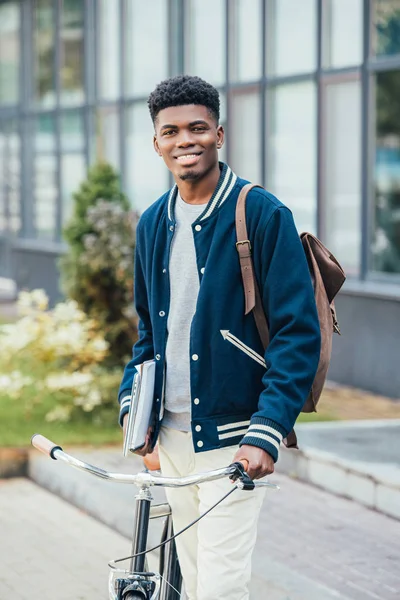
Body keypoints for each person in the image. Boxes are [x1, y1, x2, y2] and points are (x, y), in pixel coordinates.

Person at [118, 75, 321, 600]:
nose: (185, 140)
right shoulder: (151, 224)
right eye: (171, 131)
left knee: (221, 586)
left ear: (220, 134)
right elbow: (148, 335)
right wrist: (133, 414)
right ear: (156, 143)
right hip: (169, 438)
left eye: (198, 128)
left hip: (232, 438)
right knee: (190, 579)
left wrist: (267, 429)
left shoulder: (261, 213)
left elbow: (298, 334)